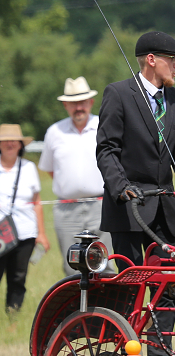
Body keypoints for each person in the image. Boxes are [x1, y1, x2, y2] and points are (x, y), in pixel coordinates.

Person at [96, 31, 175, 356]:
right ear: (152, 59)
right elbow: (106, 149)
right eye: (172, 58)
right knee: (133, 288)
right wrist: (121, 187)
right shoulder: (119, 94)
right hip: (129, 209)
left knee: (166, 290)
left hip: (164, 210)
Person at [39, 76, 114, 275]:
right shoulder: (54, 132)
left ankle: (103, 306)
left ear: (90, 102)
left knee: (104, 262)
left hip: (101, 205)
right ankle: (78, 307)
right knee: (71, 265)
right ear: (65, 105)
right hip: (67, 209)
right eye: (73, 103)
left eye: (82, 102)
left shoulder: (104, 126)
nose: (78, 107)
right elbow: (50, 169)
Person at [0, 124, 50, 313]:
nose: (10, 144)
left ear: (21, 144)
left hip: (25, 232)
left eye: (14, 140)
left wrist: (42, 234)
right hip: (0, 234)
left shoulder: (29, 168)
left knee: (18, 277)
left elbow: (37, 201)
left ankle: (13, 315)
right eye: (5, 140)